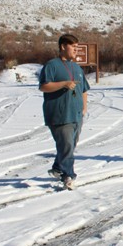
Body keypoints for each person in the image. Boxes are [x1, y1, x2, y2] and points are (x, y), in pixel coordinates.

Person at [39, 34, 90, 190]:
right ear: (63, 46)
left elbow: (84, 89)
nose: (76, 50)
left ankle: (57, 167)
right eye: (73, 47)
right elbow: (43, 86)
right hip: (59, 114)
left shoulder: (77, 67)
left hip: (76, 114)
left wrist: (84, 107)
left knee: (69, 144)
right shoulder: (51, 65)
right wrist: (63, 84)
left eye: (77, 47)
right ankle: (68, 175)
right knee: (66, 145)